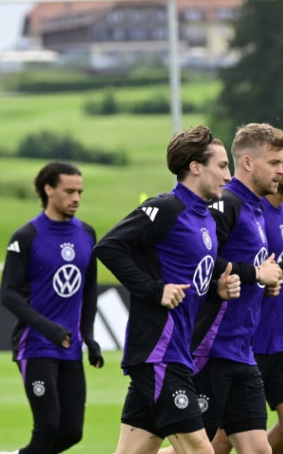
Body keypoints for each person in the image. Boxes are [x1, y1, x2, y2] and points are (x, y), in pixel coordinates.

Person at [93, 125, 241, 454]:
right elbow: (109, 247)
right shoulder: (167, 208)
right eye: (221, 166)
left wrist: (219, 285)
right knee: (202, 450)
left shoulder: (205, 220)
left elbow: (193, 272)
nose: (229, 177)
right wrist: (153, 289)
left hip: (176, 354)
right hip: (158, 353)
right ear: (195, 167)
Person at [210, 144, 283, 454]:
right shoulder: (234, 205)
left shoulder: (271, 210)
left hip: (271, 335)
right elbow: (211, 262)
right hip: (235, 341)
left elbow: (265, 267)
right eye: (278, 161)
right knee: (214, 445)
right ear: (249, 162)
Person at [187, 122, 283, 454]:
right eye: (273, 163)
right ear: (247, 162)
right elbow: (199, 258)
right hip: (212, 349)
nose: (282, 169)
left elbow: (243, 269)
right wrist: (254, 275)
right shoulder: (227, 204)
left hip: (243, 350)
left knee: (258, 450)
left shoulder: (257, 208)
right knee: (193, 450)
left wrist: (264, 282)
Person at [0, 161, 103, 454]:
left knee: (71, 431)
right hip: (36, 344)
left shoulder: (87, 233)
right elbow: (8, 294)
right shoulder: (26, 236)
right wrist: (49, 328)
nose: (76, 198)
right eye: (69, 191)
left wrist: (90, 337)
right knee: (48, 426)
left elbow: (89, 289)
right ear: (48, 189)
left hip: (70, 345)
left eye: (80, 191)